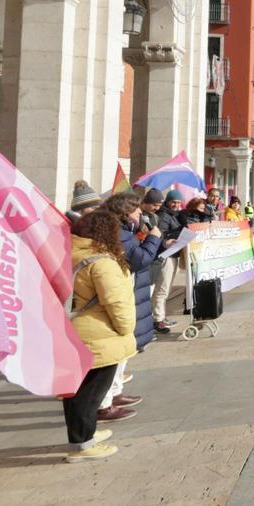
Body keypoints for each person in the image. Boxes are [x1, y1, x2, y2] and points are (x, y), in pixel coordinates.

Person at [64, 210, 137, 462]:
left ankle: (84, 436)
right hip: (99, 333)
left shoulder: (71, 253)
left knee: (78, 390)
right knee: (91, 391)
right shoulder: (101, 261)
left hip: (76, 328)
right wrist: (126, 329)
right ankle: (83, 444)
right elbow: (115, 301)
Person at [97, 191, 161, 422]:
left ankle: (114, 393)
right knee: (115, 352)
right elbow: (139, 259)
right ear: (125, 212)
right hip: (120, 295)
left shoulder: (127, 231)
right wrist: (154, 237)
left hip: (131, 291)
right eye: (136, 210)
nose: (140, 213)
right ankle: (104, 403)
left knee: (123, 350)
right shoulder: (119, 233)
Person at [149, 190, 185, 334]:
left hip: (173, 254)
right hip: (166, 256)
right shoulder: (164, 215)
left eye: (178, 202)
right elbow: (162, 234)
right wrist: (175, 235)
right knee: (162, 289)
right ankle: (158, 320)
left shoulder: (173, 214)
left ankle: (161, 316)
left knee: (166, 288)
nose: (176, 205)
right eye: (173, 202)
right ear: (168, 202)